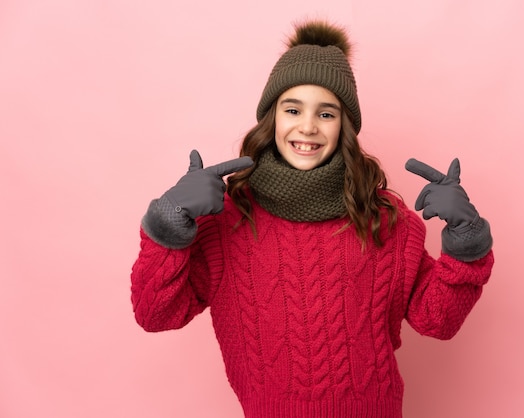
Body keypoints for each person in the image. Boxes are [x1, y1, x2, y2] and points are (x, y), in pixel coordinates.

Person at [130, 19, 494, 418]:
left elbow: (437, 321)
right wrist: (170, 220)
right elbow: (155, 314)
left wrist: (466, 239)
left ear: (345, 127)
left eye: (326, 114)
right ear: (272, 118)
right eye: (292, 109)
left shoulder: (386, 219)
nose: (307, 127)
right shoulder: (227, 220)